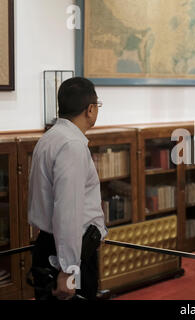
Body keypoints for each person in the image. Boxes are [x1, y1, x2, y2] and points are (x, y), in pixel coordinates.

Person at [28, 77, 108, 300]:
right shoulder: (72, 145)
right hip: (68, 254)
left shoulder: (49, 138)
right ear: (90, 109)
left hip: (50, 244)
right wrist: (69, 270)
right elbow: (68, 210)